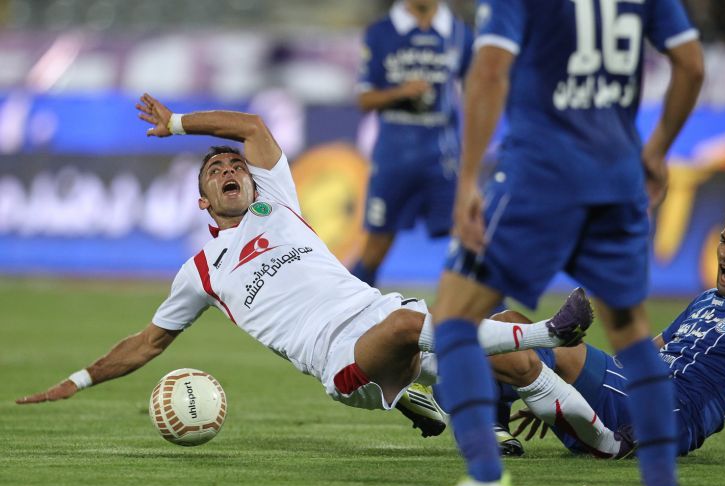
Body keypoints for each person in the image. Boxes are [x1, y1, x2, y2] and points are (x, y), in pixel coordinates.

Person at [17, 95, 602, 450]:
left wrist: (177, 123)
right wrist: (79, 380)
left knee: (513, 353)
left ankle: (605, 442)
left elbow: (251, 126)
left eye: (234, 165)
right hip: (343, 361)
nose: (228, 169)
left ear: (252, 181)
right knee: (416, 328)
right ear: (202, 202)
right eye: (214, 171)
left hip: (381, 310)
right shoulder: (200, 272)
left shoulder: (276, 202)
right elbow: (147, 343)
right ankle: (548, 333)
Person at [423, 1, 705, 486]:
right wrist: (657, 150)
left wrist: (466, 180)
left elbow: (489, 70)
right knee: (632, 333)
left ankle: (486, 482)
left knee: (453, 320)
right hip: (617, 176)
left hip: (538, 176)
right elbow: (691, 64)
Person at [505, 197, 725, 461]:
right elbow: (652, 349)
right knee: (510, 321)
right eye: (724, 241)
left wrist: (547, 378)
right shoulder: (707, 298)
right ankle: (499, 424)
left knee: (535, 344)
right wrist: (557, 382)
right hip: (626, 389)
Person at [350, 0, 472, 287]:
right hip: (394, 158)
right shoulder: (381, 33)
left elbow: (478, 89)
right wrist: (401, 92)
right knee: (376, 247)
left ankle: (495, 312)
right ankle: (348, 307)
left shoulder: (459, 33)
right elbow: (364, 99)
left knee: (469, 239)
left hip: (443, 158)